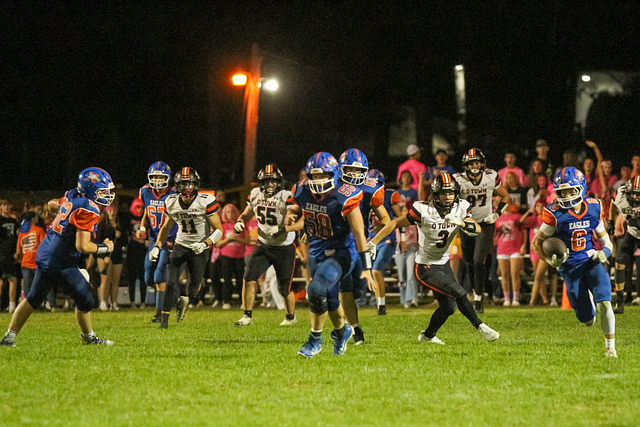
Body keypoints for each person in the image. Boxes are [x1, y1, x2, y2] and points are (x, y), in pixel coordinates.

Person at [369, 173, 500, 344]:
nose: (448, 197)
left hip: (443, 263)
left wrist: (461, 223)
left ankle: (428, 336)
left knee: (449, 307)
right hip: (426, 266)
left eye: (451, 193)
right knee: (459, 292)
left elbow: (477, 229)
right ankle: (481, 327)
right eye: (444, 193)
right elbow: (394, 223)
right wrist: (373, 242)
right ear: (436, 195)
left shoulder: (461, 207)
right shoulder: (423, 210)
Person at [1, 167, 116, 346]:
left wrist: (65, 213)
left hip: (46, 251)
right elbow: (83, 245)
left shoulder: (73, 194)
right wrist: (105, 247)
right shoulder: (89, 208)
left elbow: (51, 204)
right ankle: (89, 338)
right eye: (102, 191)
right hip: (61, 259)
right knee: (86, 299)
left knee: (34, 297)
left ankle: (8, 338)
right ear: (90, 190)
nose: (107, 195)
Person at [287, 152, 375, 357]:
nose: (318, 180)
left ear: (334, 174)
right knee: (331, 298)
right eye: (315, 176)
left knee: (316, 289)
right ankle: (342, 332)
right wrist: (291, 214)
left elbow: (358, 233)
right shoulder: (301, 190)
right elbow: (297, 207)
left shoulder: (345, 195)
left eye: (323, 175)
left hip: (341, 253)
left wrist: (367, 267)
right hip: (316, 250)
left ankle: (314, 340)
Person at [532, 167, 617, 357]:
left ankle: (610, 348)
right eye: (562, 192)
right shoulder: (555, 213)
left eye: (571, 191)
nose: (567, 195)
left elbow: (607, 243)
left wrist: (603, 253)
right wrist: (550, 261)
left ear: (581, 188)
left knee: (605, 303)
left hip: (591, 261)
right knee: (587, 320)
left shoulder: (594, 207)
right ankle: (588, 306)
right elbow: (535, 243)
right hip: (569, 267)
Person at [152, 167, 223, 329]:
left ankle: (183, 300)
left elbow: (219, 230)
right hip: (181, 245)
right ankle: (164, 323)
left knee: (194, 288)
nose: (187, 188)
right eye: (183, 184)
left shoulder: (205, 201)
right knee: (170, 282)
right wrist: (157, 246)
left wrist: (205, 244)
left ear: (196, 185)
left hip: (200, 247)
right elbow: (165, 227)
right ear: (177, 186)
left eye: (190, 184)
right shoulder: (171, 202)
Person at [233, 164, 298, 327]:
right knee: (248, 278)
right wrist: (240, 221)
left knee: (284, 287)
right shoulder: (255, 193)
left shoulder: (286, 195)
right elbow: (247, 213)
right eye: (267, 181)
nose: (270, 185)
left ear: (279, 182)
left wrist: (285, 223)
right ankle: (246, 316)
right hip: (264, 244)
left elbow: (293, 214)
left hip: (284, 246)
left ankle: (291, 317)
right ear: (261, 182)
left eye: (273, 181)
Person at [453, 148, 511, 313]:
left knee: (479, 261)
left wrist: (497, 213)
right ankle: (477, 292)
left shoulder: (490, 176)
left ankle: (478, 299)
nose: (475, 166)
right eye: (471, 163)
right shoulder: (458, 179)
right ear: (466, 165)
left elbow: (506, 196)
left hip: (485, 223)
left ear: (482, 163)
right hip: (467, 224)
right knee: (470, 263)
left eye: (477, 162)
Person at [137, 161, 178, 322]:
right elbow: (147, 211)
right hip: (154, 238)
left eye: (160, 178)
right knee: (148, 276)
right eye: (154, 177)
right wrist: (142, 226)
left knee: (160, 272)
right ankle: (171, 295)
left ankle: (160, 313)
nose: (157, 180)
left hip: (170, 237)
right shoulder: (145, 191)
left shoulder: (174, 194)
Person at [609, 176, 640, 314]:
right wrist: (610, 222)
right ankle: (620, 301)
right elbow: (612, 202)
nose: (636, 197)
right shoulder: (621, 194)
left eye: (639, 194)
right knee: (619, 261)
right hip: (633, 234)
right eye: (634, 193)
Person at [216, 203, 249, 309]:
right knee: (227, 279)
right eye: (228, 212)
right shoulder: (222, 227)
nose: (230, 214)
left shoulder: (241, 225)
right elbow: (218, 243)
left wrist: (237, 238)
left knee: (240, 279)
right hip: (225, 256)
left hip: (239, 256)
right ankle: (226, 301)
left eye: (232, 212)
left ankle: (243, 301)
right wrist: (228, 239)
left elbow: (247, 240)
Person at [14, 212, 48, 309]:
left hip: (25, 262)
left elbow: (18, 251)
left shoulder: (22, 232)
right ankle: (49, 304)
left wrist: (17, 257)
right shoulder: (39, 230)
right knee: (42, 284)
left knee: (27, 287)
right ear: (33, 219)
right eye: (36, 217)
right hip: (37, 262)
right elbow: (44, 245)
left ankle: (27, 307)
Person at [495, 204, 527, 306]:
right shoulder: (497, 218)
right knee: (504, 275)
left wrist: (523, 245)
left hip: (515, 248)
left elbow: (523, 230)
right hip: (502, 248)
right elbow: (494, 234)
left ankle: (516, 299)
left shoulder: (516, 216)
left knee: (515, 274)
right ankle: (506, 299)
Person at [520, 202, 550, 306]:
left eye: (542, 206)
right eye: (537, 206)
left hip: (544, 250)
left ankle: (532, 301)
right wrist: (528, 212)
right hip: (534, 251)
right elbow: (521, 221)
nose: (540, 208)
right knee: (539, 277)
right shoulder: (533, 219)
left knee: (538, 276)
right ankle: (544, 300)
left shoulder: (547, 219)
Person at [0, 200, 19, 313]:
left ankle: (11, 306)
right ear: (1, 207)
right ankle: (11, 306)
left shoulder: (13, 221)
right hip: (3, 253)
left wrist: (17, 251)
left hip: (10, 253)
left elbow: (17, 236)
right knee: (11, 279)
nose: (6, 207)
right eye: (4, 205)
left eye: (8, 205)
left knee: (7, 280)